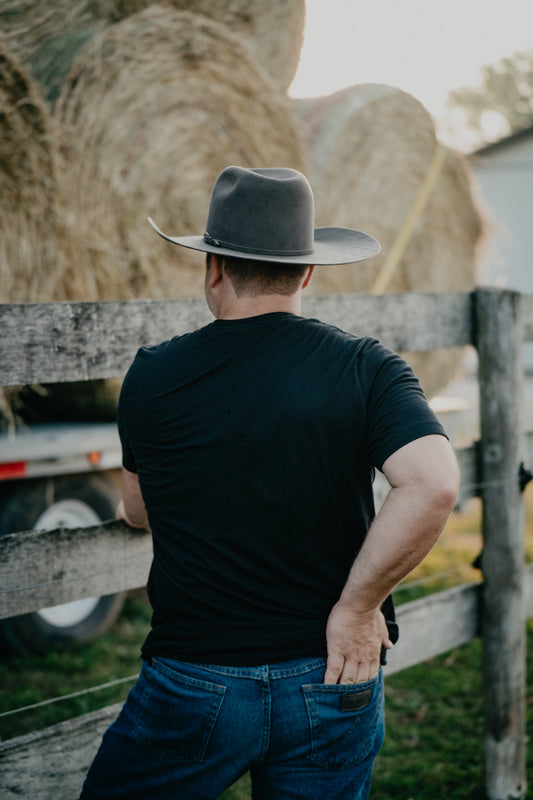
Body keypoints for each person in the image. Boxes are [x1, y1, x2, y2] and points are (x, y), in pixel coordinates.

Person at [80, 166, 459, 800]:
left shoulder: (152, 375)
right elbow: (432, 483)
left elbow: (137, 509)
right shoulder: (367, 367)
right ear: (308, 271)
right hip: (332, 671)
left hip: (193, 676)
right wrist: (357, 608)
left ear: (213, 267)